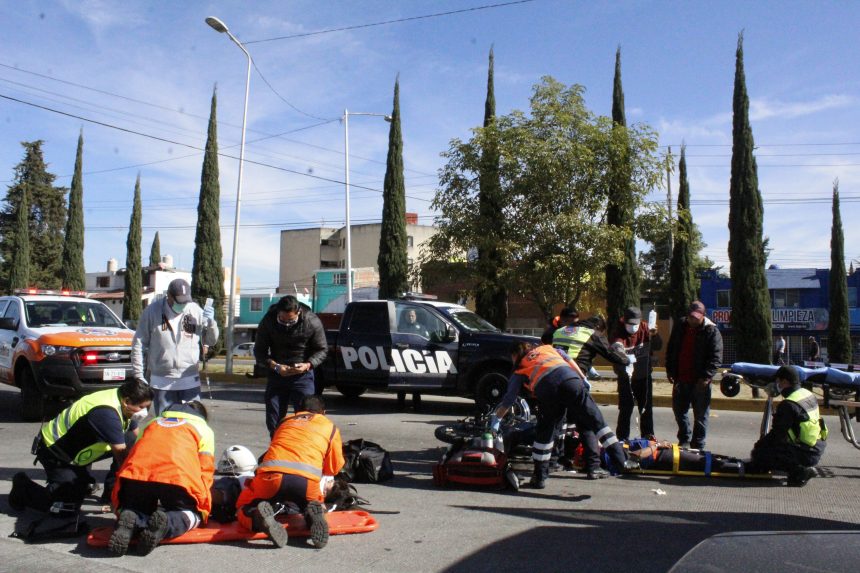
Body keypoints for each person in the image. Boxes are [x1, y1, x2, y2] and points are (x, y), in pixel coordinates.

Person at [491, 343, 629, 489]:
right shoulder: (547, 348)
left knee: (545, 434)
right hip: (571, 381)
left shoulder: (520, 368)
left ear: (515, 355)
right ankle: (621, 461)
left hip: (548, 391)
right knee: (597, 421)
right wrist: (582, 378)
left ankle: (539, 477)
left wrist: (497, 419)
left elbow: (509, 399)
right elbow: (568, 359)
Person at [9, 379, 153, 513]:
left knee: (131, 441)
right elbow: (123, 458)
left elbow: (137, 439)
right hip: (57, 454)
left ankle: (110, 492)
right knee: (66, 508)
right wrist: (137, 490)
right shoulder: (107, 414)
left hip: (79, 446)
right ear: (127, 401)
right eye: (141, 407)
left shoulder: (123, 402)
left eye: (147, 407)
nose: (144, 412)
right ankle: (22, 488)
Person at [236, 395, 345, 549]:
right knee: (312, 503)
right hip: (306, 482)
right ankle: (314, 514)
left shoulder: (285, 421)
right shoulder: (330, 427)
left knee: (243, 506)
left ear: (298, 411)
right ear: (324, 412)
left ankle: (257, 517)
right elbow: (334, 467)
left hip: (271, 477)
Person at [108, 401, 215, 556]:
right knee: (190, 514)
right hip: (177, 478)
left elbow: (133, 454)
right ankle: (167, 523)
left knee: (138, 508)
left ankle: (133, 518)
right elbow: (205, 469)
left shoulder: (152, 423)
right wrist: (203, 509)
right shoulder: (203, 429)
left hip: (137, 475)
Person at [552, 315, 630, 479]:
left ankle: (556, 461)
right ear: (599, 327)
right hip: (573, 381)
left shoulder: (560, 331)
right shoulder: (592, 334)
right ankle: (594, 466)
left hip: (553, 379)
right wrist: (625, 357)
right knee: (588, 423)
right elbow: (613, 356)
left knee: (558, 422)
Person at [131, 278, 219, 416]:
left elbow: (211, 341)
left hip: (189, 381)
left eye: (186, 301)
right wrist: (138, 375)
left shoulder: (195, 310)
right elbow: (138, 344)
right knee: (166, 422)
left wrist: (212, 323)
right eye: (179, 301)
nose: (183, 305)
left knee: (192, 421)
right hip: (161, 382)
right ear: (169, 296)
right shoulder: (152, 312)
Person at [254, 295, 328, 436]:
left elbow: (322, 350)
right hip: (277, 374)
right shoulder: (268, 320)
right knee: (274, 420)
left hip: (302, 376)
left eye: (291, 320)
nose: (287, 324)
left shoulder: (311, 321)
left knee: (306, 418)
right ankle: (277, 445)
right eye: (282, 320)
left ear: (298, 312)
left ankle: (304, 446)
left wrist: (308, 364)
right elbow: (259, 351)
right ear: (278, 313)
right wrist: (275, 366)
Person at [747, 366, 827, 486]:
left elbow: (776, 435)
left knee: (760, 454)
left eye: (777, 381)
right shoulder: (807, 394)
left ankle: (800, 471)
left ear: (784, 382)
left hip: (806, 453)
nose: (776, 385)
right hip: (817, 447)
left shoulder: (788, 405)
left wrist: (758, 448)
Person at [665, 301, 723, 450]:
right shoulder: (680, 325)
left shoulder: (711, 331)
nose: (693, 320)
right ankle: (684, 439)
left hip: (700, 382)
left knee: (701, 416)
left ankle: (698, 444)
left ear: (703, 316)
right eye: (691, 317)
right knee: (679, 411)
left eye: (696, 318)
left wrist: (706, 377)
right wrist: (670, 370)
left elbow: (716, 358)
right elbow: (672, 348)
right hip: (681, 379)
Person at [611, 306, 654, 441]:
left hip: (644, 376)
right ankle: (622, 440)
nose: (633, 327)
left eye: (635, 324)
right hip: (626, 377)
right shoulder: (619, 329)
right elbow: (616, 345)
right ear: (624, 321)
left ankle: (648, 438)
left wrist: (654, 335)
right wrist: (621, 352)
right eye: (629, 324)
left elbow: (657, 345)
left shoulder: (645, 328)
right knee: (625, 409)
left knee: (646, 409)